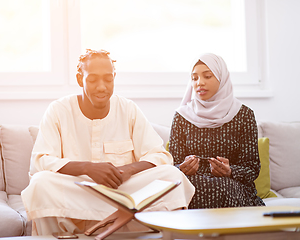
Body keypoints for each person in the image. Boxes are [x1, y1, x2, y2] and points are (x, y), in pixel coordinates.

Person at [21, 49, 195, 236]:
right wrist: (87, 168)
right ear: (80, 79)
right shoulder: (58, 110)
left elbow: (159, 155)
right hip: (78, 190)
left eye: (108, 79)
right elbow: (40, 161)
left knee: (171, 175)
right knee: (41, 182)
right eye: (93, 80)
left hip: (122, 191)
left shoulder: (128, 109)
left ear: (114, 78)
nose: (102, 87)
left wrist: (129, 170)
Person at [169, 53, 265, 209]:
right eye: (194, 78)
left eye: (207, 76)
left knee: (223, 189)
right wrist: (183, 168)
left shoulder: (244, 115)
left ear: (222, 78)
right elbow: (171, 166)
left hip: (232, 185)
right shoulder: (182, 117)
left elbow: (252, 168)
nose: (199, 83)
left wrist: (230, 171)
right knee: (189, 191)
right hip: (191, 184)